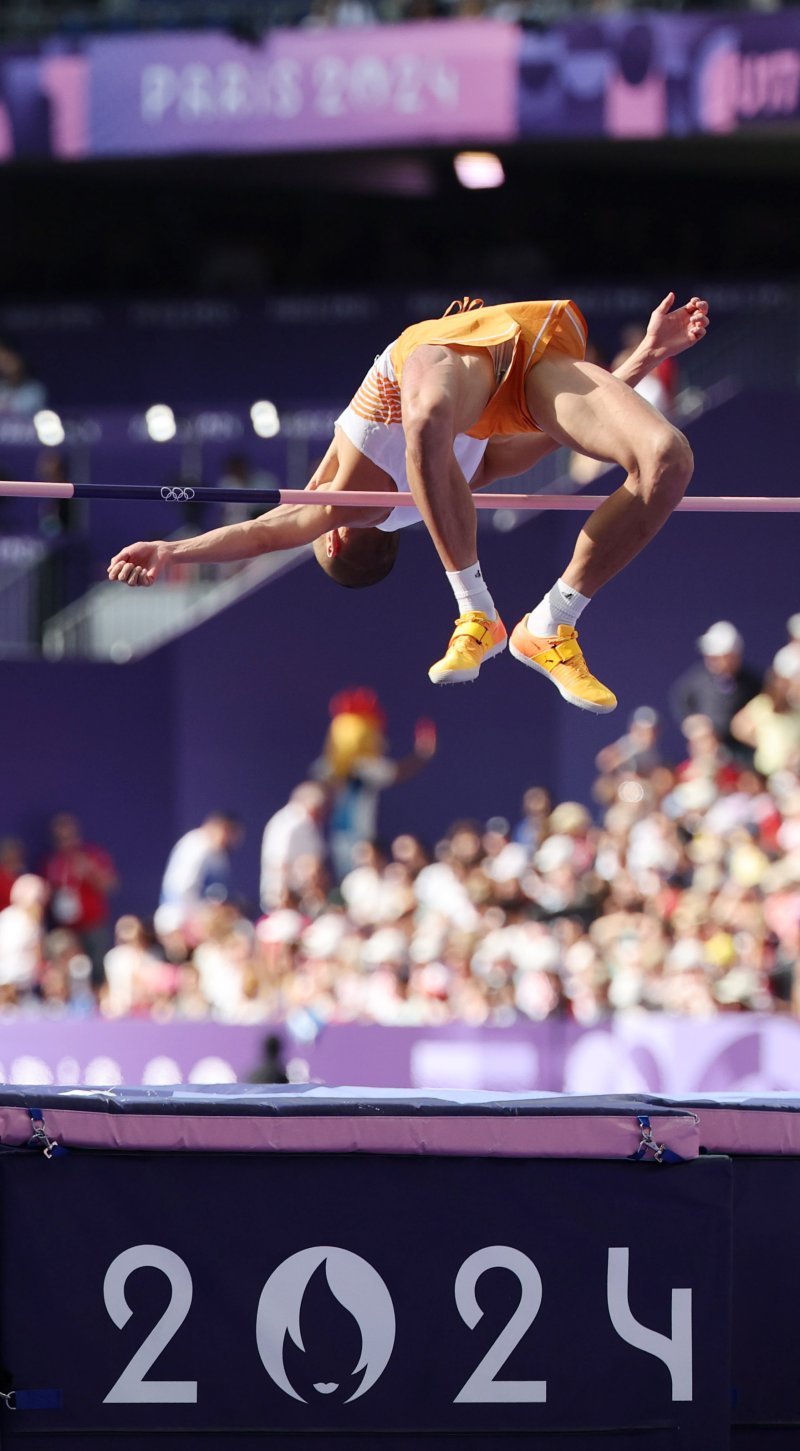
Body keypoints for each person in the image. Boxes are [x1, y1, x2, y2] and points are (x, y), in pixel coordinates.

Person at [109, 291, 708, 713]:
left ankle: (521, 621)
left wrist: (646, 357)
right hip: (495, 368)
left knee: (665, 457)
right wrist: (170, 550)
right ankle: (533, 618)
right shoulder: (352, 503)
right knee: (666, 460)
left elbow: (540, 442)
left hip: (505, 356)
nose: (313, 498)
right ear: (339, 537)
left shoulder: (451, 485)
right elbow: (267, 534)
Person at [314, 685, 437, 879]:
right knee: (343, 868)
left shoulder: (367, 768)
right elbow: (318, 787)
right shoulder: (330, 769)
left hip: (362, 831)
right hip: (338, 831)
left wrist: (422, 755)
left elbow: (397, 772)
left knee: (363, 870)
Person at [39, 812, 118, 987]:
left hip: (93, 924)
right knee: (66, 964)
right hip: (66, 926)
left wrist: (90, 870)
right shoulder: (52, 862)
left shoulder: (92, 855)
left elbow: (110, 885)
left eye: (69, 837)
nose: (65, 842)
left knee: (97, 965)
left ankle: (99, 1003)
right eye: (60, 838)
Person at [670, 621, 762, 756]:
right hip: (708, 752)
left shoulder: (753, 683)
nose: (711, 660)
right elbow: (680, 699)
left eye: (717, 657)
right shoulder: (697, 678)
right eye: (710, 656)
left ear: (733, 656)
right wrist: (693, 723)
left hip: (742, 754)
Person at [160, 811, 244, 918]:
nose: (231, 839)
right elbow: (184, 888)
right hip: (179, 917)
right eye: (229, 832)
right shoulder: (197, 846)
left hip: (197, 917)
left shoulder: (219, 853)